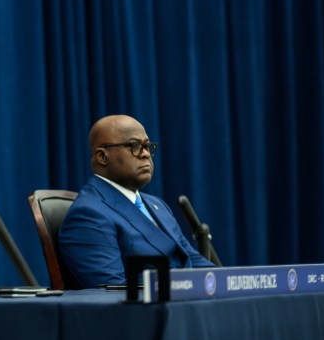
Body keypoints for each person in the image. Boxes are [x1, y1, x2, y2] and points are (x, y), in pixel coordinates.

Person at [59, 114, 213, 288]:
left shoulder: (158, 206)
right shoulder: (88, 215)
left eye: (147, 146)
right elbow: (111, 289)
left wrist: (230, 284)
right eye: (134, 146)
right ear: (103, 157)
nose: (146, 154)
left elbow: (191, 259)